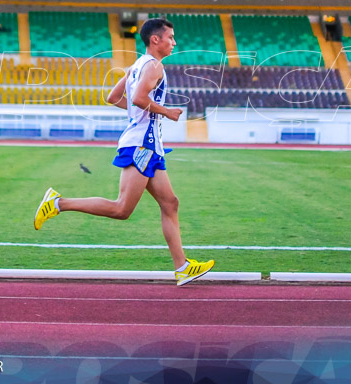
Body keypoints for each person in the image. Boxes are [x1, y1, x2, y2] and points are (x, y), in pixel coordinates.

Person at [33, 18, 215, 287]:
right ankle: (58, 203)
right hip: (142, 144)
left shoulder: (136, 66)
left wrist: (138, 115)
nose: (174, 42)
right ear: (156, 40)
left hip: (148, 143)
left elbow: (113, 97)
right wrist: (166, 112)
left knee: (170, 203)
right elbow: (139, 99)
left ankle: (183, 267)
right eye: (171, 37)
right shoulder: (153, 66)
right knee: (122, 209)